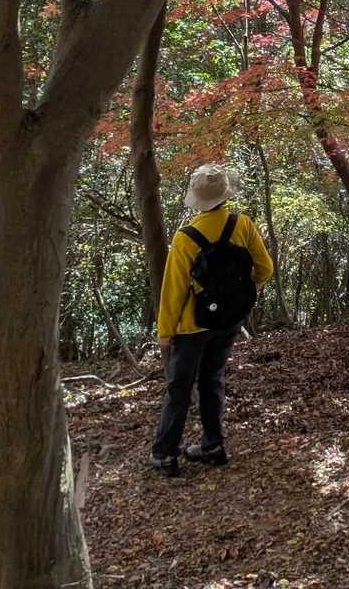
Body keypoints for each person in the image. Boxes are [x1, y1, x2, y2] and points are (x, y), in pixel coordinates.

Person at [150, 163, 273, 476]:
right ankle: (213, 447)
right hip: (229, 321)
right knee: (212, 380)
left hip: (192, 327)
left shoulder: (186, 238)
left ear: (197, 199)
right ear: (225, 195)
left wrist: (165, 331)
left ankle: (165, 455)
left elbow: (173, 291)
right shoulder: (242, 224)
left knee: (179, 388)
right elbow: (265, 268)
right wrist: (241, 294)